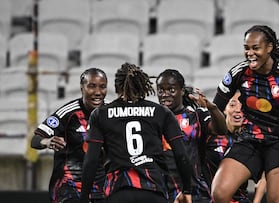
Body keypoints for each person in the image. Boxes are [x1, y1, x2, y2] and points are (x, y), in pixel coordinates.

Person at [211, 25, 279, 203]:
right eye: (246, 48)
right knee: (220, 193)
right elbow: (215, 108)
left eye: (255, 48)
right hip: (250, 139)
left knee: (277, 200)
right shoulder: (238, 72)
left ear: (269, 48)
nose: (250, 53)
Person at [80, 63, 193, 203]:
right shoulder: (161, 112)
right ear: (142, 86)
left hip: (118, 192)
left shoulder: (100, 114)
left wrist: (84, 198)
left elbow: (91, 161)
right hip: (153, 191)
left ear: (116, 87)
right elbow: (182, 155)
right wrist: (187, 190)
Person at [31, 68, 108, 203]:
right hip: (69, 187)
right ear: (82, 88)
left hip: (101, 188)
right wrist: (47, 142)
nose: (98, 92)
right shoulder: (68, 113)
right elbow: (35, 140)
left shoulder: (110, 113)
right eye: (92, 86)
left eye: (102, 87)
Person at [156, 69, 227, 203]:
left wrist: (213, 109)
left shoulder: (196, 116)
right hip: (163, 192)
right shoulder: (154, 119)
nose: (165, 95)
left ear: (182, 91)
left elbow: (221, 130)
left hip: (195, 192)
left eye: (171, 90)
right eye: (161, 90)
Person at [204, 91, 266, 203]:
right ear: (224, 109)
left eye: (242, 106)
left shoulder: (251, 142)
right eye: (232, 105)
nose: (238, 110)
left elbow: (263, 177)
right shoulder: (210, 135)